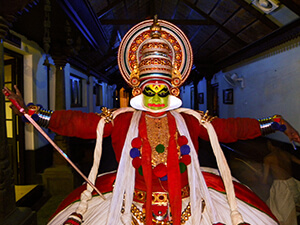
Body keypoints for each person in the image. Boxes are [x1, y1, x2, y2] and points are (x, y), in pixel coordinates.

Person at [3, 17, 300, 225]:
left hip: (190, 207)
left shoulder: (191, 119)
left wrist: (273, 123)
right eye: (149, 90)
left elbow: (231, 130)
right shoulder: (120, 120)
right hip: (128, 206)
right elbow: (77, 123)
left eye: (162, 90)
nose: (156, 97)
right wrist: (32, 112)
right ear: (138, 89)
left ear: (172, 89)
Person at [263, 141, 300, 225]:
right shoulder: (286, 154)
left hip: (281, 187)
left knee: (283, 216)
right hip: (292, 183)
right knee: (291, 209)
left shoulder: (269, 158)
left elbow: (265, 179)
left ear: (270, 144)